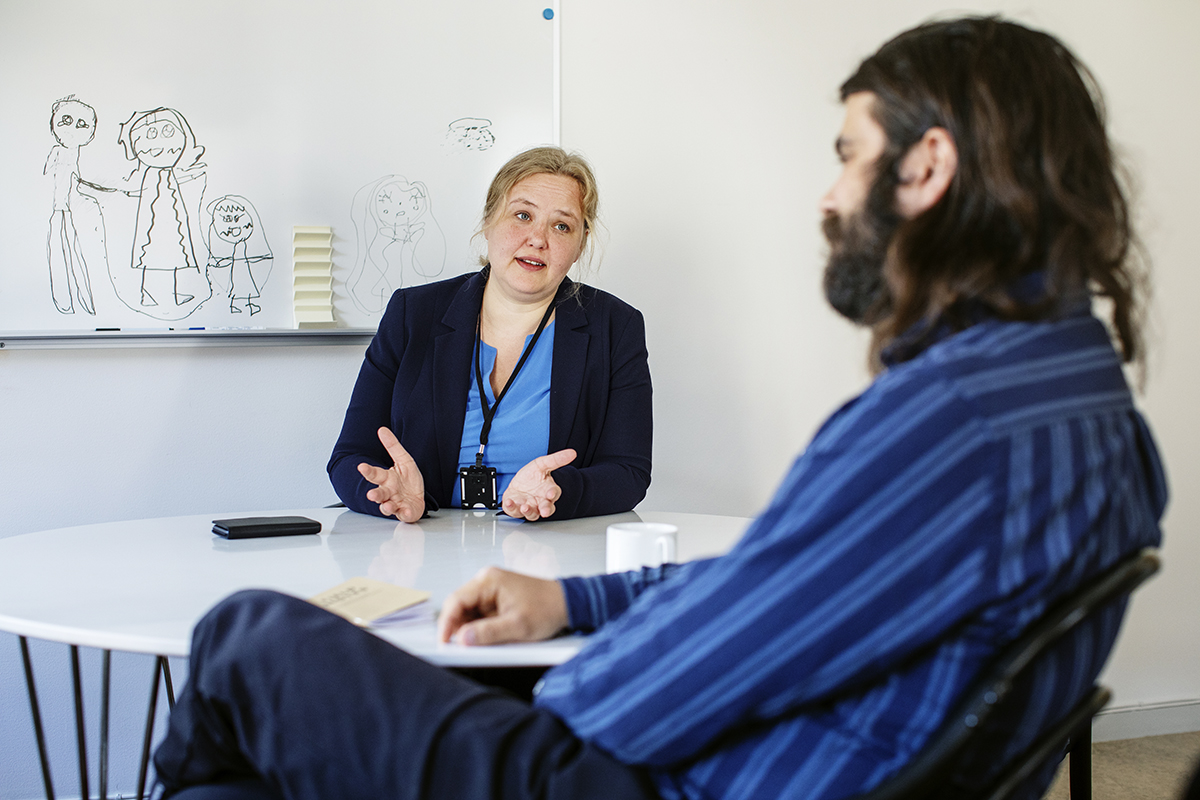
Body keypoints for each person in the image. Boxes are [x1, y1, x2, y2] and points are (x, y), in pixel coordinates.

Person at [153, 16, 1167, 800]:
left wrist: (546, 688)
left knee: (241, 635)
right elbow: (791, 576)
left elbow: (638, 697)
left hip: (652, 777)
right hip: (769, 759)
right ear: (489, 222)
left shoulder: (946, 422)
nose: (827, 195)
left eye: (849, 153)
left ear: (929, 165)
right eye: (521, 215)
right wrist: (572, 602)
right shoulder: (1088, 409)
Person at [327, 146, 653, 522]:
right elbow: (350, 456)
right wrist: (385, 496)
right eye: (522, 215)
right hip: (420, 539)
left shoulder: (615, 326)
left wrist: (559, 493)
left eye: (561, 225)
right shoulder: (413, 314)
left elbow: (628, 472)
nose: (537, 238)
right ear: (488, 221)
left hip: (547, 544)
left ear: (579, 244)